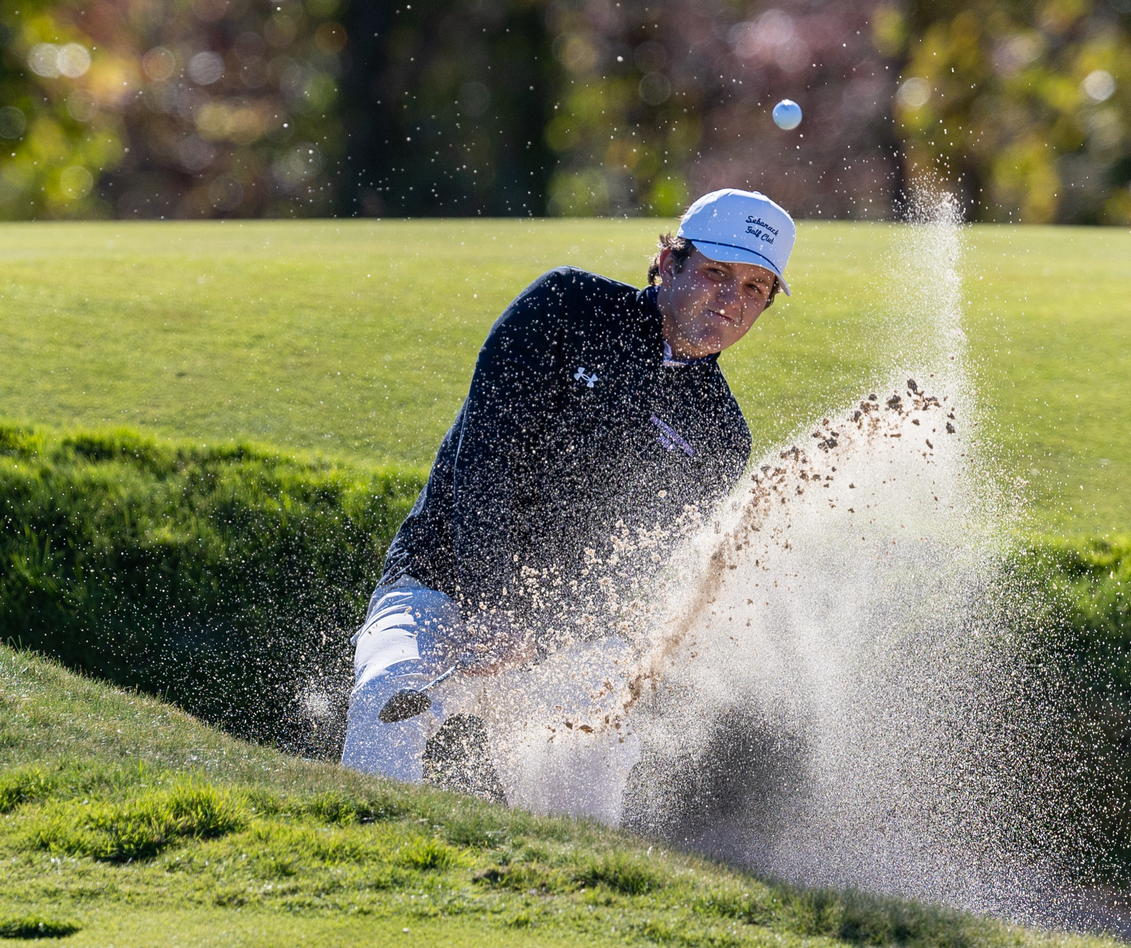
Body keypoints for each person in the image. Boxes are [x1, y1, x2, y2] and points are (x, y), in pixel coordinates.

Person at [341, 189, 797, 789]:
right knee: (388, 694)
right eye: (716, 272)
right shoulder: (564, 307)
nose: (730, 300)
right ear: (668, 263)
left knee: (594, 760)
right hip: (440, 585)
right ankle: (371, 855)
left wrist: (549, 627)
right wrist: (494, 601)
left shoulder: (721, 434)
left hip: (562, 637)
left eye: (753, 288)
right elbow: (485, 461)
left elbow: (638, 564)